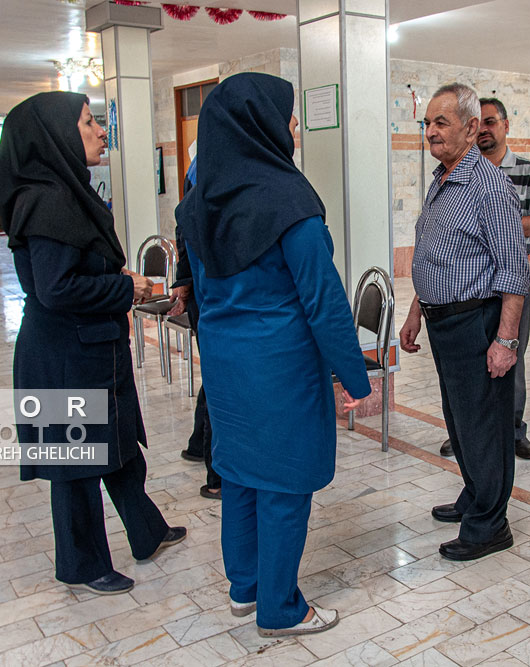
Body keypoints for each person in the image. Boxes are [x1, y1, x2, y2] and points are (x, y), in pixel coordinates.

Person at [175, 72, 371, 637]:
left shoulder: (199, 204)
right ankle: (281, 608)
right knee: (285, 482)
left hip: (225, 367)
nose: (294, 127)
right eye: (287, 115)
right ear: (257, 122)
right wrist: (355, 378)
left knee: (238, 472)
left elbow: (202, 297)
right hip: (281, 369)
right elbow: (325, 302)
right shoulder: (290, 201)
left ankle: (246, 588)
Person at [0, 92, 186, 596]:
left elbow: (74, 270)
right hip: (65, 356)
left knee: (120, 448)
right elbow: (56, 289)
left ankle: (146, 531)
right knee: (76, 466)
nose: (102, 132)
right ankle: (82, 564)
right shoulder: (46, 201)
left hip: (89, 348)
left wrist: (114, 276)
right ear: (57, 136)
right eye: (88, 123)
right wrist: (129, 287)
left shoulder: (65, 191)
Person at [399, 83, 530, 561]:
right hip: (443, 322)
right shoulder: (442, 177)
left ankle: (491, 524)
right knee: (460, 421)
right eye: (427, 123)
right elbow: (439, 255)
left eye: (440, 123)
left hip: (477, 321)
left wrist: (506, 340)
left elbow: (515, 270)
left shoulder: (488, 185)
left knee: (484, 426)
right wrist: (415, 311)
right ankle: (475, 495)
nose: (430, 132)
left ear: (472, 128)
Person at [439, 96, 530, 461]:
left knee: (509, 354)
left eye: (491, 122)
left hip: (510, 282)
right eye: (479, 122)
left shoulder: (528, 171)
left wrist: (497, 222)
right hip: (467, 285)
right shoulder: (456, 171)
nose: (485, 129)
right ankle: (464, 434)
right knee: (468, 366)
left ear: (505, 125)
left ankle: (512, 431)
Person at [170, 155, 223, 500]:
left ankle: (198, 446)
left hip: (206, 303)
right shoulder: (214, 173)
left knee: (215, 382)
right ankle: (216, 474)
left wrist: (184, 280)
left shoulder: (203, 172)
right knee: (219, 385)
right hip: (214, 307)